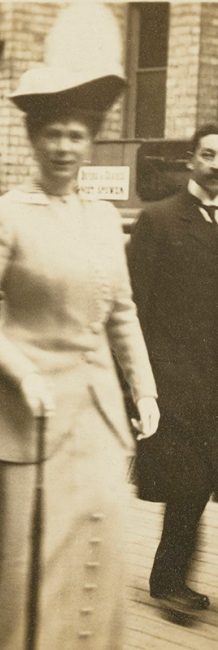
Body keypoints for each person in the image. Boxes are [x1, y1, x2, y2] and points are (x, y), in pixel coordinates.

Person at [0, 63, 160, 649]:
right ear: (34, 139)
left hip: (94, 420)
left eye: (77, 134)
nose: (64, 146)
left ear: (91, 142)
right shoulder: (4, 215)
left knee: (96, 551)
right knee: (23, 570)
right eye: (53, 133)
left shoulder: (101, 218)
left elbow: (122, 311)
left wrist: (144, 388)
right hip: (18, 423)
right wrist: (19, 370)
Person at [128, 122, 218, 613]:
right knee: (190, 482)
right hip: (172, 379)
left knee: (201, 482)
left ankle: (172, 577)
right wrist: (139, 384)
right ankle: (168, 582)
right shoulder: (159, 221)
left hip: (216, 380)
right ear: (191, 160)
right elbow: (132, 305)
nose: (217, 166)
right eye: (208, 155)